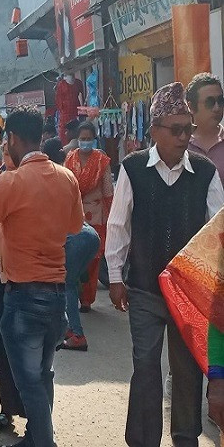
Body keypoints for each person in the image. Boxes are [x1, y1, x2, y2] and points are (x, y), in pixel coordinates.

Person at [0, 106, 83, 447]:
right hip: (56, 297)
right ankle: (37, 436)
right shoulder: (66, 178)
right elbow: (76, 226)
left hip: (24, 297)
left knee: (30, 383)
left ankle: (43, 442)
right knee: (43, 374)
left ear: (12, 139)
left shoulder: (11, 181)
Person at [105, 82, 224, 447]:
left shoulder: (204, 172)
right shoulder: (134, 168)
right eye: (177, 129)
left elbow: (217, 228)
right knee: (145, 366)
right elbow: (117, 224)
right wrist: (114, 277)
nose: (185, 136)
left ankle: (185, 438)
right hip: (143, 287)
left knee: (187, 370)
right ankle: (143, 440)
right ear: (154, 130)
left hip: (188, 293)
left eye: (188, 128)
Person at [44, 136, 101, 352]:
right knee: (71, 278)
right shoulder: (66, 173)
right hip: (88, 232)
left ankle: (76, 334)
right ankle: (68, 327)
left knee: (66, 283)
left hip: (76, 236)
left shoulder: (47, 175)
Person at [64, 122, 113, 319]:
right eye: (82, 139)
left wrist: (111, 217)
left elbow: (108, 191)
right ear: (77, 139)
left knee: (93, 258)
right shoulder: (70, 158)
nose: (85, 142)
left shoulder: (102, 161)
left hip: (97, 213)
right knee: (73, 255)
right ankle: (74, 294)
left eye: (89, 139)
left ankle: (87, 298)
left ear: (94, 139)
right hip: (74, 213)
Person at [186, 72, 223, 179]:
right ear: (191, 107)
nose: (217, 108)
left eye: (220, 101)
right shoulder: (180, 144)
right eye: (210, 102)